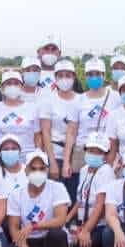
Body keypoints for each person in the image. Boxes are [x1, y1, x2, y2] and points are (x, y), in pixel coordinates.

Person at [0, 151, 72, 247]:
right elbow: (13, 227)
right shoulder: (17, 194)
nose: (37, 172)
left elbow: (61, 219)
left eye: (42, 168)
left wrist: (34, 225)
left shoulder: (57, 188)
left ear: (47, 170)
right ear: (26, 170)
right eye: (33, 168)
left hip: (49, 241)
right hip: (28, 241)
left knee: (58, 235)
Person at [71, 132, 115, 247]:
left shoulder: (106, 171)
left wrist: (86, 230)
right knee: (73, 238)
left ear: (105, 154)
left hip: (101, 224)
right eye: (91, 150)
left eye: (99, 151)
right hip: (85, 220)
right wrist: (66, 220)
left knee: (81, 241)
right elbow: (80, 200)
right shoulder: (84, 170)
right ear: (85, 150)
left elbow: (100, 206)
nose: (94, 154)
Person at [68, 57, 117, 176]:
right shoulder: (79, 100)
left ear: (104, 75)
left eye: (97, 74)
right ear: (85, 76)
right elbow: (71, 132)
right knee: (81, 190)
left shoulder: (116, 98)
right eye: (90, 74)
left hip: (105, 151)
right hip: (83, 151)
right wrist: (66, 162)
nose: (94, 77)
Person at [0, 71, 41, 166]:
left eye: (16, 83)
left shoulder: (32, 108)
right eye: (8, 83)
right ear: (2, 87)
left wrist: (38, 160)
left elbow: (37, 138)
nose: (12, 86)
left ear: (21, 87)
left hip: (26, 163)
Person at [44, 59, 80, 195]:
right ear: (55, 78)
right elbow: (46, 133)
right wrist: (52, 162)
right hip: (55, 155)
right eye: (61, 75)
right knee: (56, 197)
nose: (64, 79)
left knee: (74, 196)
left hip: (77, 156)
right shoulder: (48, 101)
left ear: (74, 77)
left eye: (68, 75)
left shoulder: (81, 99)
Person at [0, 133, 29, 201]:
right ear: (0, 153)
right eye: (6, 149)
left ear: (20, 151)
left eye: (14, 149)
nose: (10, 151)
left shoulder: (29, 171)